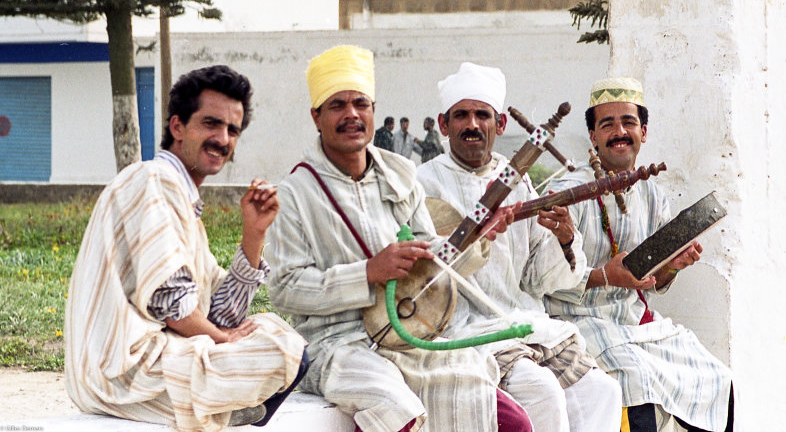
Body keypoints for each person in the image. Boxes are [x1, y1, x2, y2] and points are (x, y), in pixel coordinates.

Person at [265, 45, 531, 432]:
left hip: (410, 333)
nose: (352, 114)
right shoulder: (293, 193)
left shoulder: (400, 173)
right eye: (337, 105)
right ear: (316, 117)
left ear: (373, 112)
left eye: (360, 103)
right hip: (338, 345)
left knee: (509, 420)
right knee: (397, 415)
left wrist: (476, 235)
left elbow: (430, 255)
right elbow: (284, 290)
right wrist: (368, 272)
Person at [64, 65, 308, 431]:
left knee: (271, 331)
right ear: (178, 127)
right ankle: (221, 411)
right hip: (122, 374)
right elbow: (174, 309)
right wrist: (224, 340)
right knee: (282, 348)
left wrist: (253, 234)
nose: (222, 139)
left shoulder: (183, 201)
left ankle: (220, 409)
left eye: (232, 130)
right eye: (211, 124)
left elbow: (218, 317)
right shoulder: (153, 180)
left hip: (155, 361)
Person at [417, 62, 622, 432]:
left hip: (522, 320)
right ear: (444, 125)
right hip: (465, 331)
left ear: (501, 125)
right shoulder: (422, 184)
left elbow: (537, 279)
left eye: (483, 115)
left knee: (602, 391)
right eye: (461, 115)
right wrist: (475, 235)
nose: (473, 125)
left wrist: (563, 239)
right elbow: (422, 275)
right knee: (541, 390)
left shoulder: (516, 180)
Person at [545, 77, 734, 432]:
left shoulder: (651, 194)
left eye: (628, 123)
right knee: (638, 382)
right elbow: (544, 278)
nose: (619, 132)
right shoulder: (570, 192)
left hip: (634, 323)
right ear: (593, 136)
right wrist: (604, 276)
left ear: (643, 132)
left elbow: (653, 279)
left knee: (716, 378)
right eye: (607, 124)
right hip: (578, 321)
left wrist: (672, 267)